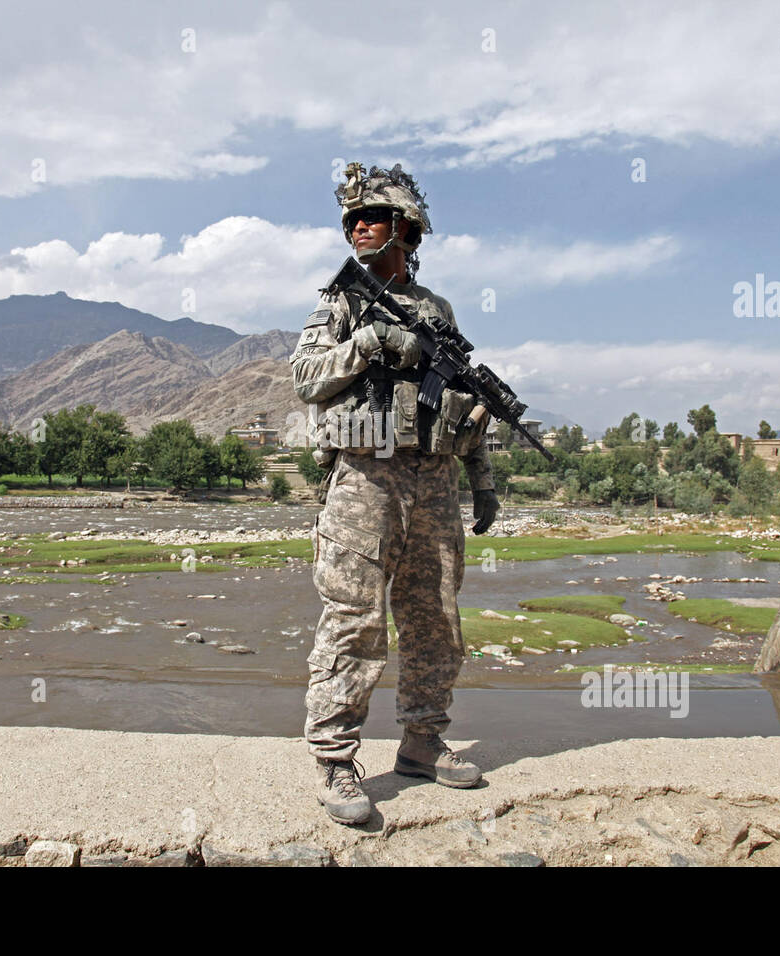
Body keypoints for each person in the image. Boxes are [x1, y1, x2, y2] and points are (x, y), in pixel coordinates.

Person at [290, 162, 500, 825]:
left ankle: (421, 741)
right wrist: (367, 343)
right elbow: (304, 377)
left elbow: (463, 401)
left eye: (371, 217)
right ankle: (335, 760)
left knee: (435, 618)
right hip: (364, 480)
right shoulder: (340, 302)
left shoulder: (437, 310)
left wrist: (482, 478)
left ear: (407, 229)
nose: (358, 228)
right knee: (353, 621)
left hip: (434, 482)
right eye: (351, 219)